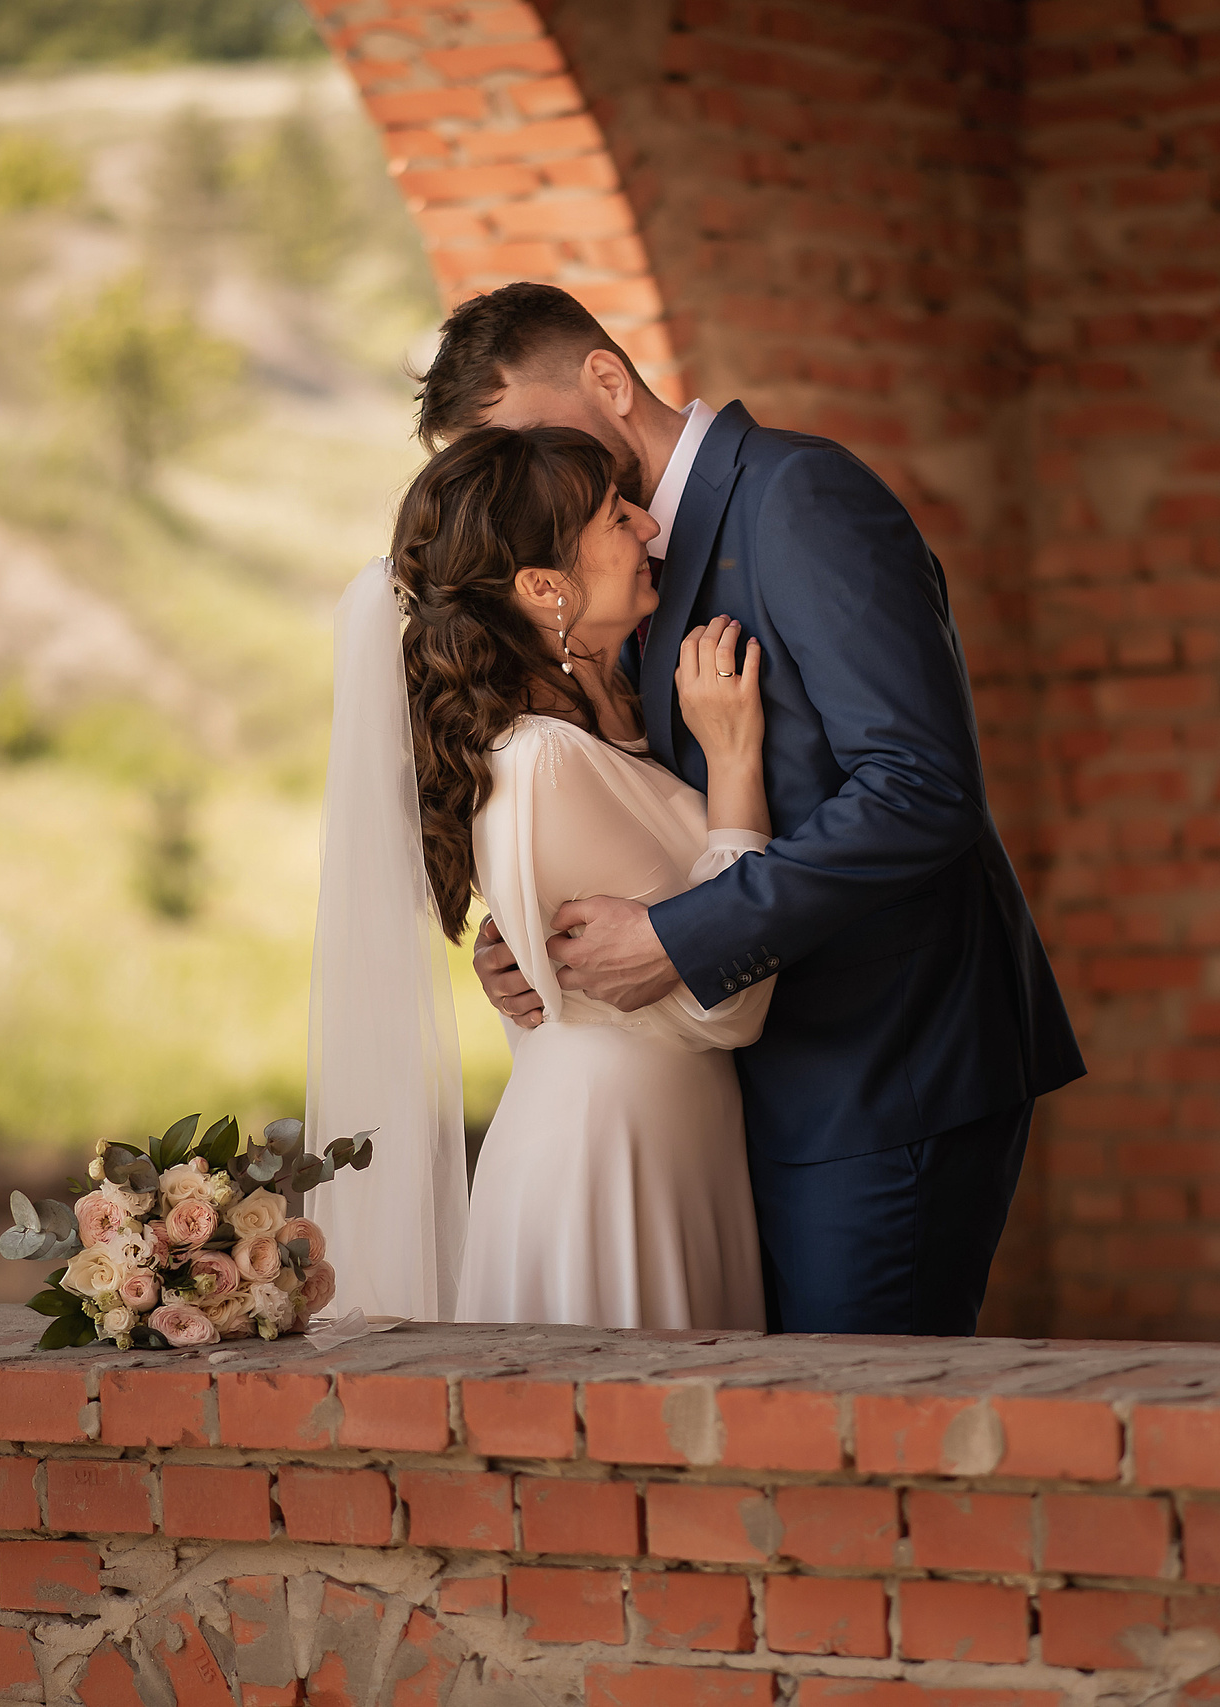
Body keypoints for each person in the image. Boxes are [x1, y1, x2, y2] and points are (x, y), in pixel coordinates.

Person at [423, 283, 1086, 1336]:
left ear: (606, 379)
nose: (534, 483)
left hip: (876, 1074)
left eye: (533, 441)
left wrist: (679, 940)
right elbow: (628, 797)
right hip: (729, 1087)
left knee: (854, 1437)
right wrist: (533, 935)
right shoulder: (617, 562)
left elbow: (920, 787)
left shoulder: (798, 499)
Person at [304, 426, 779, 1329]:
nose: (646, 524)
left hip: (666, 1138)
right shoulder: (541, 765)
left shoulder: (597, 726)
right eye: (614, 514)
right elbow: (735, 1004)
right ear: (544, 587)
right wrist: (736, 762)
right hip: (609, 1162)